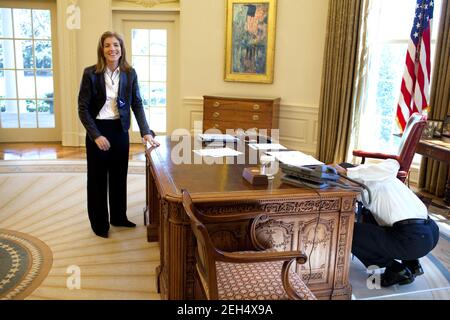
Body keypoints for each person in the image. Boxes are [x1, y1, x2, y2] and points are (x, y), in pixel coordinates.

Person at [78, 31, 160, 238]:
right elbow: (83, 108)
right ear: (102, 49)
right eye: (107, 45)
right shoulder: (90, 73)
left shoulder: (129, 73)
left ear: (121, 48)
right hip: (98, 131)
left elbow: (137, 103)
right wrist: (96, 135)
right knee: (97, 179)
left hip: (120, 130)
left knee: (118, 176)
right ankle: (99, 223)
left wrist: (146, 132)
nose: (112, 49)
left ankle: (118, 217)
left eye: (116, 45)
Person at [337, 159, 439, 287]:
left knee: (347, 232)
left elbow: (393, 163)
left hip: (411, 239)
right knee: (370, 219)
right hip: (431, 232)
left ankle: (396, 269)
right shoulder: (384, 176)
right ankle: (412, 264)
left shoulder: (367, 183)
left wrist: (347, 172)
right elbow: (393, 164)